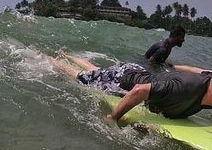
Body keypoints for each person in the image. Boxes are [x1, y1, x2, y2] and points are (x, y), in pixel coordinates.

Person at [47, 50, 212, 121]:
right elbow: (139, 91)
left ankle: (67, 54)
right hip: (123, 79)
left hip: (137, 72)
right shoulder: (184, 89)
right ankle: (50, 59)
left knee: (98, 71)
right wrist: (113, 118)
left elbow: (193, 69)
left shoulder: (208, 77)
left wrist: (173, 68)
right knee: (79, 76)